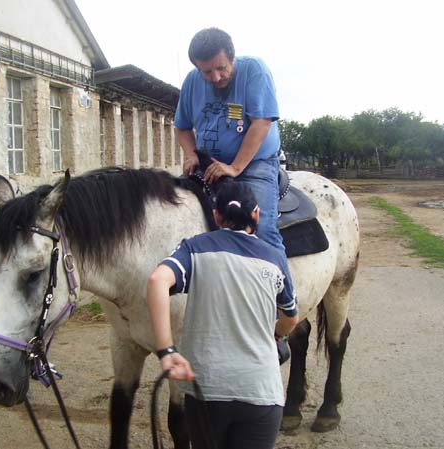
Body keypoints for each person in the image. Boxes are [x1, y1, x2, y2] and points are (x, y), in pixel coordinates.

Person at [147, 183, 299, 449]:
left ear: (216, 216)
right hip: (261, 392)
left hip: (207, 390)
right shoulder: (275, 257)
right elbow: (291, 319)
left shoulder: (194, 248)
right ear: (257, 214)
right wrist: (275, 333)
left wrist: (167, 350)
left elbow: (157, 280)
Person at [175, 27, 295, 291]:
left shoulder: (254, 70)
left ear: (232, 57)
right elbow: (182, 127)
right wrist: (190, 154)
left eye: (221, 68)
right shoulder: (192, 82)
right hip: (209, 163)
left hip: (254, 164)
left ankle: (284, 310)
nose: (215, 77)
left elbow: (261, 122)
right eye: (206, 72)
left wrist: (235, 167)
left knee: (260, 228)